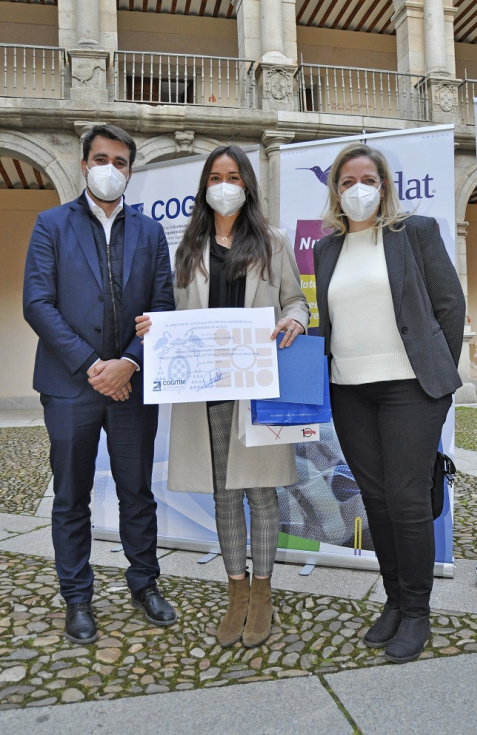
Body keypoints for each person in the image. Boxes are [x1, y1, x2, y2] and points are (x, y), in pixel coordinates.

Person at [136, 145, 309, 648]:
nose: (225, 185)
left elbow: (296, 300)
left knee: (262, 492)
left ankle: (263, 592)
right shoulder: (188, 248)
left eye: (233, 176)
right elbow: (173, 312)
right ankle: (236, 591)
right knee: (225, 494)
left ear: (247, 185)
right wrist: (154, 328)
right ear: (204, 187)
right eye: (216, 176)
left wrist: (295, 320)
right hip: (206, 390)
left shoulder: (273, 241)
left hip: (258, 387)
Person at [23, 124, 176, 645]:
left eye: (121, 162)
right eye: (102, 159)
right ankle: (77, 597)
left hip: (132, 385)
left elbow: (162, 307)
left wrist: (128, 363)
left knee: (137, 492)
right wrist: (94, 366)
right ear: (85, 164)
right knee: (71, 496)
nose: (111, 169)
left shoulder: (150, 232)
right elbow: (38, 303)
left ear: (130, 171)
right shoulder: (51, 224)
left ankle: (145, 583)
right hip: (70, 385)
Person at [314, 142, 465, 663]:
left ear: (384, 187)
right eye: (347, 181)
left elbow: (449, 304)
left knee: (406, 499)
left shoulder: (414, 232)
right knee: (375, 500)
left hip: (409, 388)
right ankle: (395, 601)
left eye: (368, 179)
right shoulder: (326, 249)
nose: (358, 189)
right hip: (349, 389)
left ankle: (417, 611)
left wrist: (436, 376)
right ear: (335, 190)